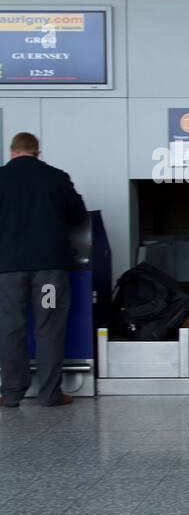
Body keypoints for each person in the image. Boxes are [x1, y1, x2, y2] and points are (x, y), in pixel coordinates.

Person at [0, 132, 88, 408]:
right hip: (49, 270)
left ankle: (11, 394)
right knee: (48, 326)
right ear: (38, 152)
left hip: (9, 270)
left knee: (10, 328)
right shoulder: (57, 177)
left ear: (12, 151)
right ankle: (50, 395)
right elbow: (78, 216)